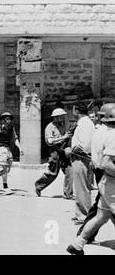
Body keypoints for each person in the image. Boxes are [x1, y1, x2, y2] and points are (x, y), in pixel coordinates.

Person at [67, 106, 115, 255]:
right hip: (112, 180)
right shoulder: (113, 135)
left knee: (101, 216)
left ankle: (77, 244)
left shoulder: (99, 131)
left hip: (104, 179)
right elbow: (107, 162)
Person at [34, 108, 73, 198]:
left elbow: (67, 137)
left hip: (64, 152)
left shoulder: (64, 125)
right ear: (56, 117)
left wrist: (68, 145)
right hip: (54, 152)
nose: (62, 118)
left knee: (70, 172)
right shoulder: (49, 127)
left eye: (63, 116)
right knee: (52, 173)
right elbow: (50, 141)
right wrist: (63, 137)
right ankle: (39, 186)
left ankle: (68, 194)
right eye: (61, 117)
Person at [70, 102, 95, 224]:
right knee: (79, 187)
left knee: (83, 187)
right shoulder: (85, 123)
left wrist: (71, 150)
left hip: (81, 158)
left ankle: (84, 215)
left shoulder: (84, 124)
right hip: (79, 158)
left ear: (76, 111)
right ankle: (80, 212)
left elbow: (84, 145)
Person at [0, 112, 24, 192]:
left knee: (7, 170)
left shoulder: (11, 128)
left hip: (8, 149)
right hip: (1, 149)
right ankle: (5, 186)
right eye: (7, 119)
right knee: (4, 168)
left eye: (10, 119)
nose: (9, 121)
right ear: (2, 120)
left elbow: (15, 139)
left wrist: (20, 148)